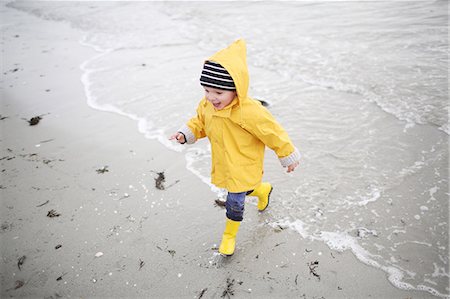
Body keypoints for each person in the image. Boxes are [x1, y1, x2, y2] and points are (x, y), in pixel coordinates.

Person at [170, 39, 300, 256]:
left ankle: (228, 237)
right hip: (224, 162)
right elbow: (200, 122)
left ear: (235, 89)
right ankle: (263, 190)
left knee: (235, 200)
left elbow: (272, 131)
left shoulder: (249, 111)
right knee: (244, 189)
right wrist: (186, 134)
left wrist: (287, 153)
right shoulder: (207, 106)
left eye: (218, 93)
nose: (211, 97)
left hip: (244, 163)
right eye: (207, 91)